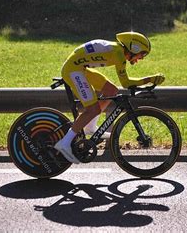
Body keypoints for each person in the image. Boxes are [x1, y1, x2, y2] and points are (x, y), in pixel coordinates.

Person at [54, 31, 165, 164]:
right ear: (134, 48)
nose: (141, 58)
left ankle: (90, 126)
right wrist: (150, 79)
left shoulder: (118, 50)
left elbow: (122, 84)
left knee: (111, 90)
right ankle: (65, 142)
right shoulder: (118, 54)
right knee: (92, 109)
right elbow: (126, 83)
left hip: (80, 67)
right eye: (142, 54)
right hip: (73, 70)